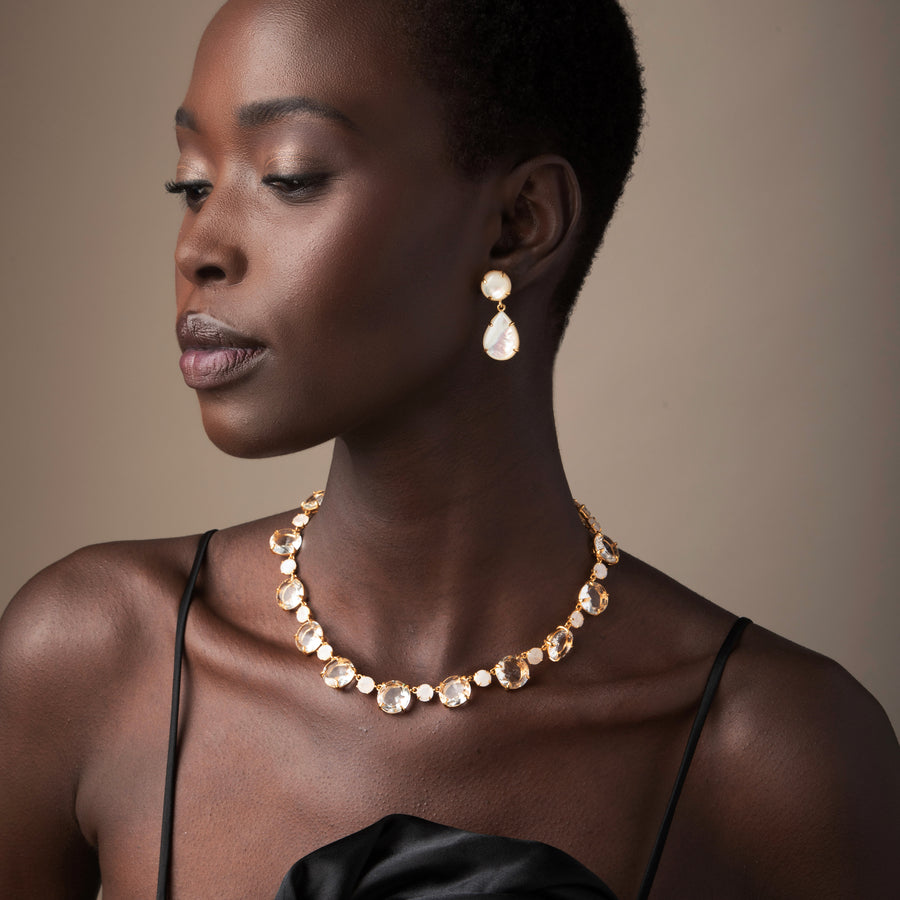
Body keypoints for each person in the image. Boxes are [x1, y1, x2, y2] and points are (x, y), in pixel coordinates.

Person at [1, 1, 897, 897]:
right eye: (192, 183)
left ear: (518, 221)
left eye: (288, 175)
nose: (199, 245)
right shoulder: (90, 660)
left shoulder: (781, 759)